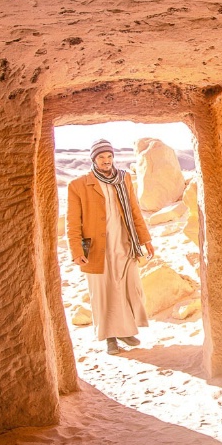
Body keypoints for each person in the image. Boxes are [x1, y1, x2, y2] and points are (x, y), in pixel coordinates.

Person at [66, 138, 155, 355]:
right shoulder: (78, 185)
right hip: (97, 248)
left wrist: (146, 240)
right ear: (94, 160)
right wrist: (76, 251)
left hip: (124, 242)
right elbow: (72, 221)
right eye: (101, 157)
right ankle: (110, 338)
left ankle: (125, 330)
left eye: (109, 156)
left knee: (125, 287)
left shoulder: (123, 178)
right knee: (103, 291)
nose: (106, 161)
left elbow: (134, 211)